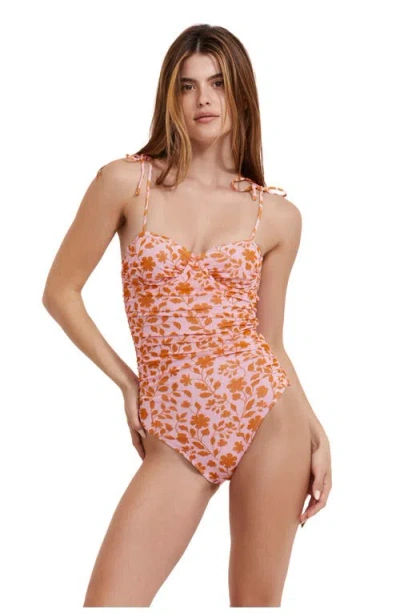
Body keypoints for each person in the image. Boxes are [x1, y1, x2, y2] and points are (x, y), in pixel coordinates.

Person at [42, 24, 332, 608]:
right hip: (175, 429)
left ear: (240, 93)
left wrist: (315, 430)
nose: (204, 99)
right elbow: (60, 292)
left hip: (268, 417)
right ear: (169, 96)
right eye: (188, 85)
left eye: (218, 83)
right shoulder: (126, 183)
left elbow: (270, 342)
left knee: (254, 605)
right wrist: (129, 383)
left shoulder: (277, 216)